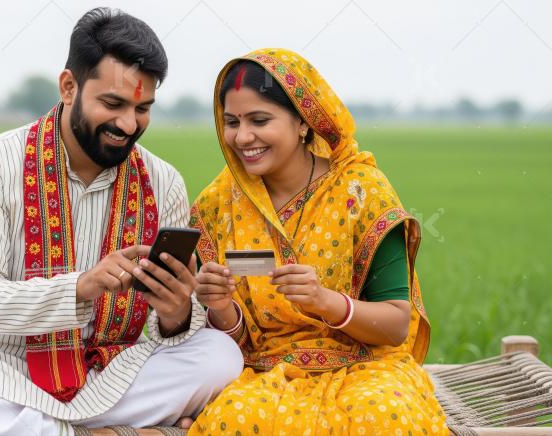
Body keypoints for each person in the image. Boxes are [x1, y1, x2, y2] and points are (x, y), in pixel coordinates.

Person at [0, 8, 242, 435]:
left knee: (219, 357)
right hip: (4, 371)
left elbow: (166, 332)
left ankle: (39, 429)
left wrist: (174, 313)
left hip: (110, 372)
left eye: (143, 108)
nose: (128, 124)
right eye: (112, 104)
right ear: (68, 87)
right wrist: (80, 287)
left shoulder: (162, 180)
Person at [189, 48, 449, 435]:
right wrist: (221, 307)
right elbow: (236, 344)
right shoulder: (215, 206)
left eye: (260, 120)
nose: (242, 137)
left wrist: (326, 302)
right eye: (231, 122)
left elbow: (396, 325)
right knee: (233, 421)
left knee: (384, 417)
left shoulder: (362, 192)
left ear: (303, 123)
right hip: (265, 373)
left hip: (365, 367)